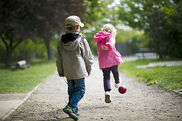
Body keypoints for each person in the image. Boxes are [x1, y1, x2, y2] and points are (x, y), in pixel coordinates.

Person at [56, 15, 93, 120]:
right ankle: (70, 106)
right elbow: (87, 55)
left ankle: (74, 111)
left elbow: (58, 57)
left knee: (71, 90)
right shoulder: (81, 39)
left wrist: (60, 70)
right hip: (79, 70)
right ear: (77, 27)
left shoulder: (61, 40)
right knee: (81, 90)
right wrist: (89, 68)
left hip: (67, 70)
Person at [93, 23, 123, 103]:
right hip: (112, 59)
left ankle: (107, 92)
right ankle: (117, 82)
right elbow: (111, 42)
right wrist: (108, 46)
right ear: (112, 31)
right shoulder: (110, 36)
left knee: (106, 77)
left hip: (103, 61)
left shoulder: (99, 38)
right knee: (115, 71)